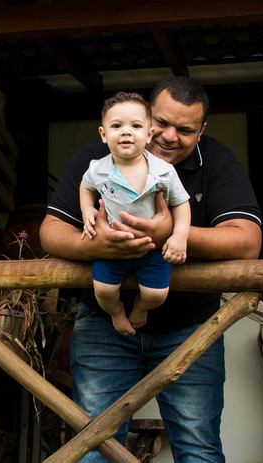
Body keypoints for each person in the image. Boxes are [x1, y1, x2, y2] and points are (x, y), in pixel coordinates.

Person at [41, 76, 262, 463]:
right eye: (161, 123)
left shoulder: (218, 160)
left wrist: (173, 234)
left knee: (198, 449)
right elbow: (50, 231)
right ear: (144, 116)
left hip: (190, 328)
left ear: (202, 131)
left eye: (186, 129)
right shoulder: (102, 151)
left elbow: (247, 241)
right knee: (92, 449)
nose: (169, 136)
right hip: (103, 324)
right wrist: (95, 244)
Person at [79, 91, 192, 336]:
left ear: (149, 134)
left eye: (136, 126)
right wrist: (87, 209)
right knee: (104, 292)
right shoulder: (98, 170)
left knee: (156, 294)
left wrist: (179, 236)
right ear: (104, 134)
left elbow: (181, 203)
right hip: (111, 249)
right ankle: (117, 313)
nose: (126, 131)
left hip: (151, 249)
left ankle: (141, 308)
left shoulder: (164, 171)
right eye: (117, 126)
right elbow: (85, 187)